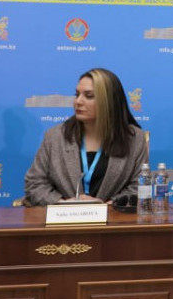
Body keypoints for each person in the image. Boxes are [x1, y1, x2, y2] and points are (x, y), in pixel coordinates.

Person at [24, 68, 148, 205]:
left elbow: (139, 186)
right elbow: (34, 183)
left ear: (109, 101)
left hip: (112, 216)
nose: (78, 101)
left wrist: (107, 205)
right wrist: (63, 204)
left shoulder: (135, 139)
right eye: (77, 95)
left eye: (89, 96)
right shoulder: (55, 137)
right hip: (65, 216)